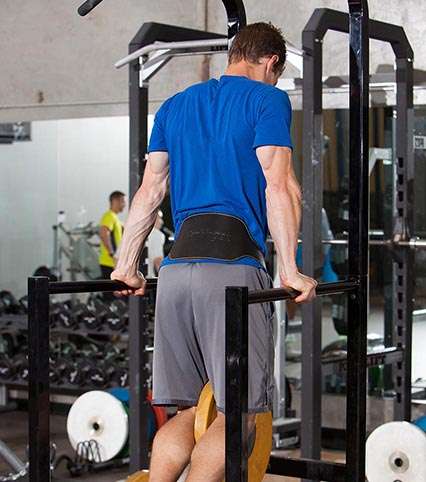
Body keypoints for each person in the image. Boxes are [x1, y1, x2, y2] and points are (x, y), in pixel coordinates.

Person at [112, 22, 317, 482]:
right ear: (272, 62)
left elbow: (149, 190)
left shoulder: (175, 104)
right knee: (237, 415)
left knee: (187, 412)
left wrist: (126, 266)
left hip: (175, 271)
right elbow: (278, 184)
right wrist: (290, 269)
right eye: (276, 73)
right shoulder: (267, 99)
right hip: (230, 271)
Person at [98, 191, 126, 280]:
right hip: (109, 263)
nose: (125, 205)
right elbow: (103, 234)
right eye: (123, 201)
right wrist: (112, 254)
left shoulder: (115, 218)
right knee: (110, 288)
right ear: (115, 201)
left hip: (113, 262)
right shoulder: (109, 216)